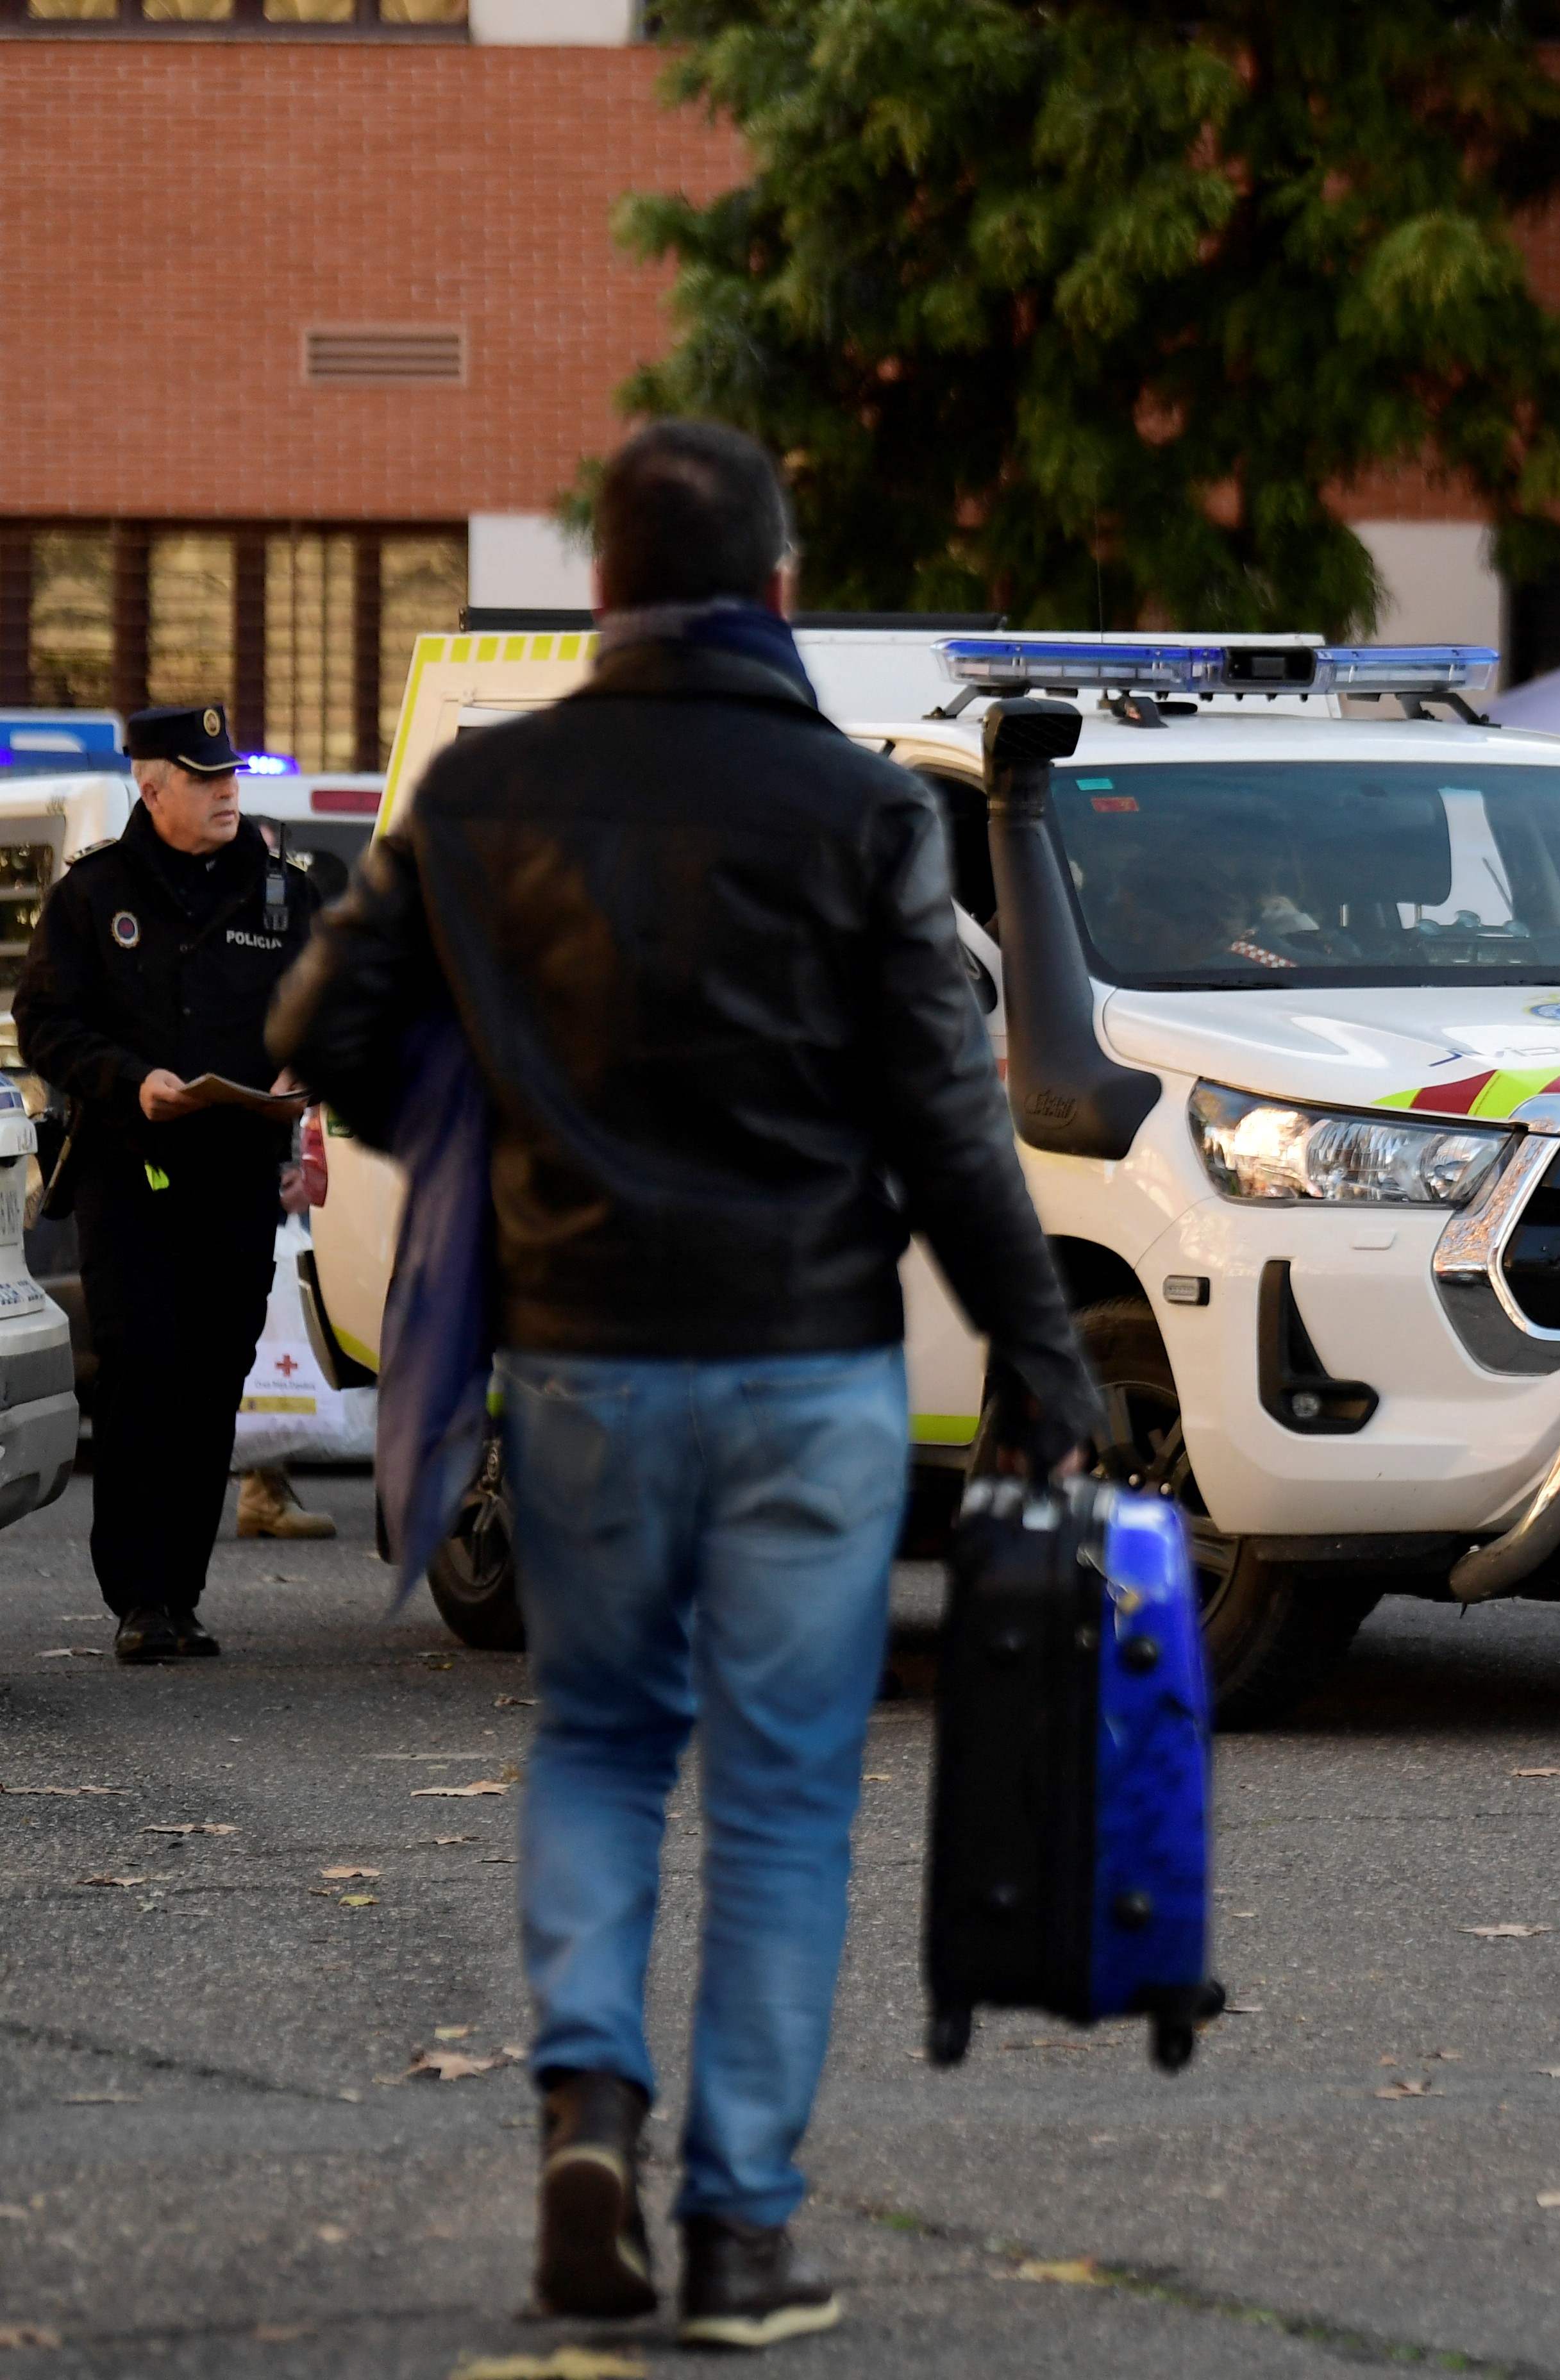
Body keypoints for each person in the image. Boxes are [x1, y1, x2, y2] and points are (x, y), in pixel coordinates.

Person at [274, 420, 1104, 2350]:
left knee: (597, 1738)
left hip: (577, 1361)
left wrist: (496, 1107)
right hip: (810, 1360)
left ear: (601, 592)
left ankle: (586, 2102)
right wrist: (1043, 1360)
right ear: (784, 589)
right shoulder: (859, 810)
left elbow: (319, 1022)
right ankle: (736, 2234)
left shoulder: (484, 795)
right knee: (787, 1802)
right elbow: (946, 1124)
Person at [14, 703, 319, 1662]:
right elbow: (45, 1024)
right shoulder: (96, 895)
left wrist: (295, 1075)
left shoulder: (280, 894)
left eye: (232, 774)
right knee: (144, 1375)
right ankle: (139, 1597)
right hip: (129, 1175)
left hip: (235, 1176)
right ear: (154, 787)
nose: (229, 790)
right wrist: (127, 1080)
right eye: (206, 776)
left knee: (211, 1382)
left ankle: (181, 1593)